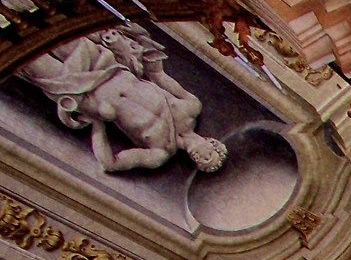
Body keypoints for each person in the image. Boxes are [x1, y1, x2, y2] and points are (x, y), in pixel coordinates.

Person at [20, 25, 226, 174]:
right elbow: (158, 76)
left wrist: (96, 123)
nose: (200, 159)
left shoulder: (160, 152)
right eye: (208, 157)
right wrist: (130, 48)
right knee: (48, 27)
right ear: (211, 142)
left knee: (25, 56)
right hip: (105, 64)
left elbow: (110, 164)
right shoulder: (191, 107)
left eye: (202, 165)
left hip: (83, 93)